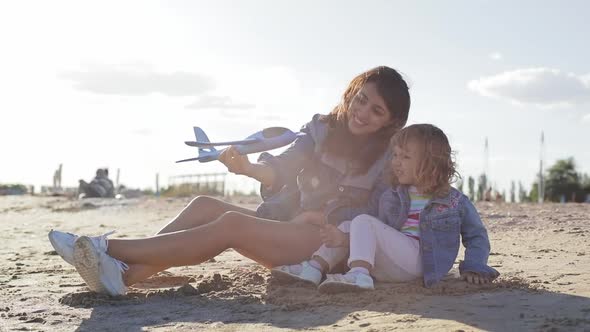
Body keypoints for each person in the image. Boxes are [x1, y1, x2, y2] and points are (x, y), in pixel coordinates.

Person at [48, 66, 411, 296]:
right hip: (290, 225)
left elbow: (381, 215)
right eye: (360, 100)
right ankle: (123, 277)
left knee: (231, 225)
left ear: (390, 122)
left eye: (376, 110)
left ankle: (102, 248)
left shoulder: (388, 158)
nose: (362, 113)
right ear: (351, 94)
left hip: (326, 245)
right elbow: (281, 168)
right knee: (204, 205)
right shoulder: (319, 130)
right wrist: (247, 168)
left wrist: (328, 221)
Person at [272, 124, 500, 292]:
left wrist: (474, 266)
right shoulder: (393, 195)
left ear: (431, 163)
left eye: (406, 157)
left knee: (362, 220)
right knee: (350, 225)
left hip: (421, 263)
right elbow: (375, 232)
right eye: (396, 156)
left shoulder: (454, 201)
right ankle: (313, 269)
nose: (396, 162)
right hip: (393, 261)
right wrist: (343, 238)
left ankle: (359, 275)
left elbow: (476, 235)